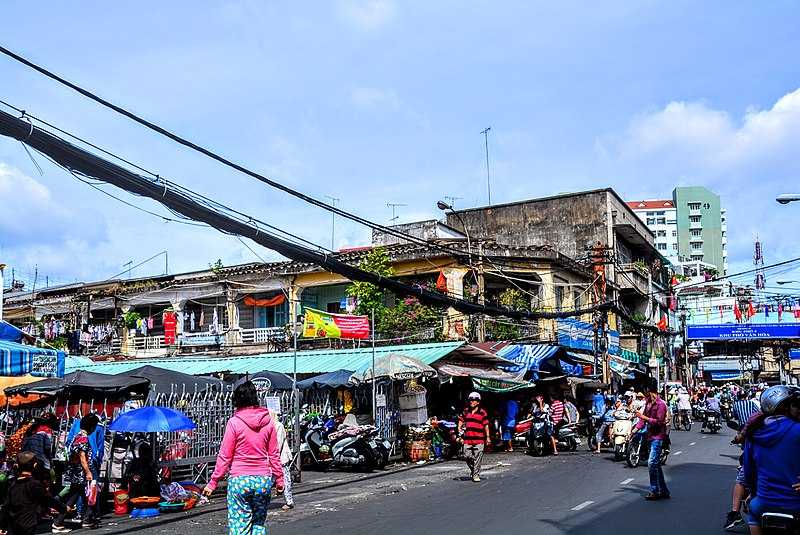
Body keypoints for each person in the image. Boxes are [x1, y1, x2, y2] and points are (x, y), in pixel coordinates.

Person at [202, 380, 284, 535]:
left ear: (237, 400)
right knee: (258, 524)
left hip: (239, 481)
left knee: (240, 526)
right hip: (263, 480)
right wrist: (279, 479)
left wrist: (213, 482)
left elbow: (225, 456)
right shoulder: (268, 422)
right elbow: (274, 454)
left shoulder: (234, 423)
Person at [741, 385, 800, 535]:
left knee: (753, 514)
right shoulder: (797, 429)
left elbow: (748, 472)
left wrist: (754, 493)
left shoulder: (754, 433)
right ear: (786, 407)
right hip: (795, 503)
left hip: (764, 503)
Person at [53, 414, 100, 531]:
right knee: (91, 496)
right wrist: (88, 472)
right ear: (91, 427)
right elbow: (82, 457)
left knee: (76, 497)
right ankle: (86, 519)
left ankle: (63, 521)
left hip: (75, 472)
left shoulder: (76, 436)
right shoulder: (83, 438)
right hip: (81, 473)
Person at [0, 452, 62, 535]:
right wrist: (63, 508)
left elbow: (6, 506)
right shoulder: (34, 484)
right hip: (28, 523)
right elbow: (47, 499)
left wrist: (2, 525)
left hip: (13, 523)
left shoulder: (12, 483)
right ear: (35, 466)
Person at [635, 385, 670, 500]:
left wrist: (644, 418)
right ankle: (664, 490)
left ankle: (655, 490)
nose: (646, 397)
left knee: (651, 463)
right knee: (656, 465)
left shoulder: (661, 405)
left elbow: (659, 422)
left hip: (658, 437)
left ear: (652, 392)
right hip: (650, 436)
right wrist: (633, 430)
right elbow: (641, 420)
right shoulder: (648, 404)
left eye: (647, 394)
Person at [457, 392, 490, 482]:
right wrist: (459, 429)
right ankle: (474, 470)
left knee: (478, 457)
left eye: (474, 400)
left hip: (479, 439)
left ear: (478, 402)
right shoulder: (465, 411)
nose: (472, 401)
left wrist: (488, 437)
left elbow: (486, 425)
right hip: (468, 439)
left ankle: (475, 475)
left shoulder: (482, 412)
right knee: (467, 456)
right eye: (471, 400)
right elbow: (461, 420)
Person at [270, 411, 294, 511]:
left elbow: (278, 443)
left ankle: (289, 501)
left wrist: (272, 455)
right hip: (273, 458)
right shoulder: (269, 427)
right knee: (269, 481)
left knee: (285, 479)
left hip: (280, 458)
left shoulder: (278, 426)